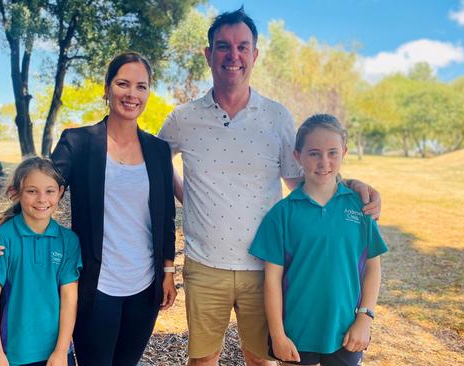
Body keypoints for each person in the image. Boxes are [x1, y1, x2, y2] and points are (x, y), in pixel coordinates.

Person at [157, 7, 381, 366]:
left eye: (243, 47)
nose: (234, 56)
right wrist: (189, 197)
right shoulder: (183, 118)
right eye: (223, 46)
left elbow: (303, 180)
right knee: (201, 361)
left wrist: (350, 185)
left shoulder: (277, 116)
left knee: (262, 359)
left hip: (267, 268)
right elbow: (155, 162)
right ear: (208, 54)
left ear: (255, 54)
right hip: (205, 265)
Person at [0, 52, 176, 366]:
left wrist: (167, 271)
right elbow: (42, 190)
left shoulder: (158, 150)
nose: (132, 94)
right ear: (107, 88)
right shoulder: (79, 142)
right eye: (123, 84)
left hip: (145, 287)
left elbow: (166, 216)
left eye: (141, 86)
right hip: (97, 288)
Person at [249, 114, 388, 366]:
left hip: (346, 331)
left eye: (332, 153)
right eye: (314, 153)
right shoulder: (282, 213)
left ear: (344, 152)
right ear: (297, 155)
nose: (324, 162)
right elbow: (271, 280)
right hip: (296, 333)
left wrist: (365, 319)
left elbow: (373, 267)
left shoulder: (360, 207)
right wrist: (278, 334)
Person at [0, 157, 81, 366]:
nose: (42, 199)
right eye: (32, 191)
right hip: (12, 353)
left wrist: (62, 351)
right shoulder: (0, 239)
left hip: (56, 352)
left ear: (61, 192)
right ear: (16, 193)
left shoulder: (68, 241)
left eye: (50, 191)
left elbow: (69, 299)